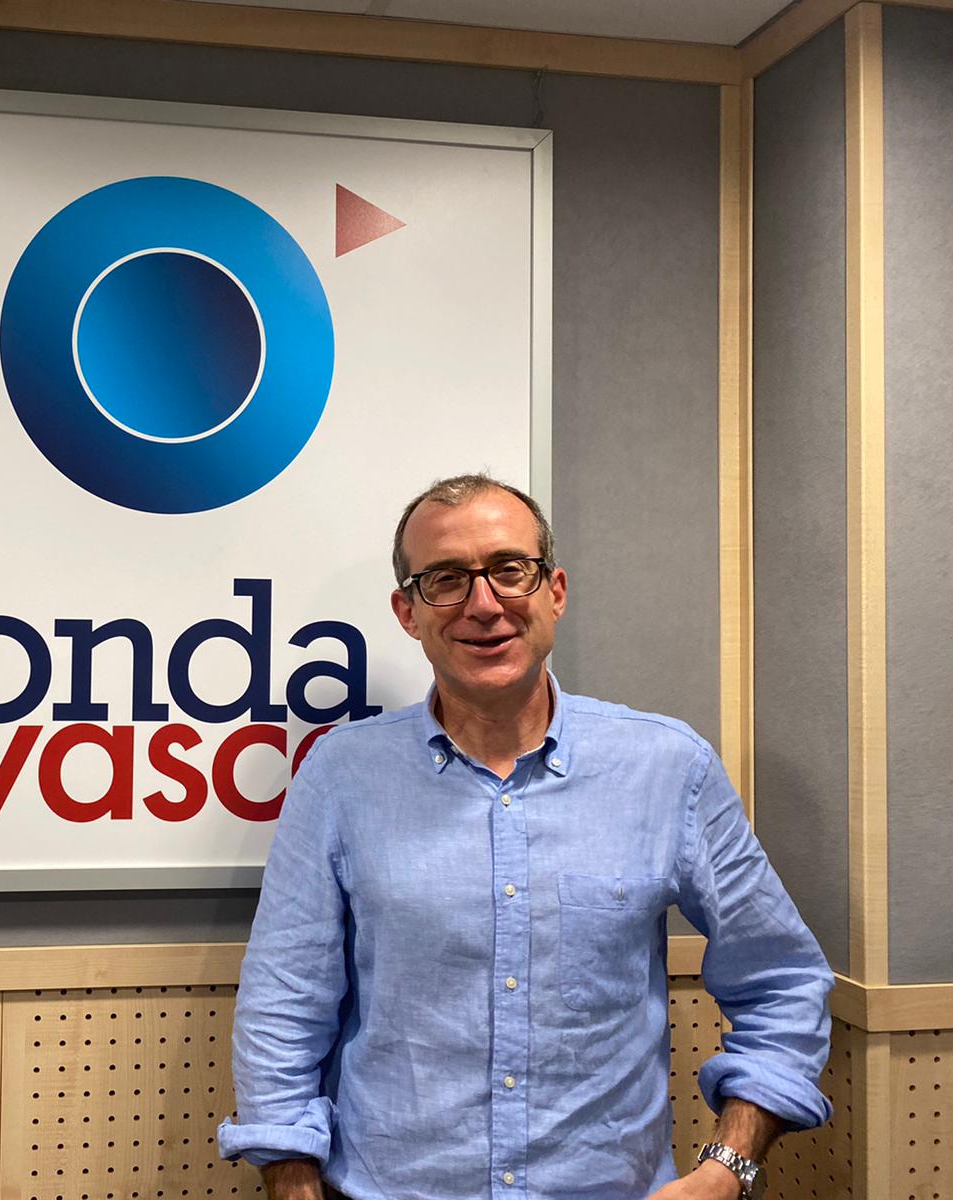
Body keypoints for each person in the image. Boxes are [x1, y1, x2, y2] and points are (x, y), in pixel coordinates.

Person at [217, 474, 831, 1200]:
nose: (484, 604)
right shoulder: (341, 775)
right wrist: (292, 1183)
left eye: (510, 569)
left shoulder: (668, 769)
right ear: (408, 613)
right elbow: (285, 1004)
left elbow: (783, 982)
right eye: (446, 579)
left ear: (555, 592)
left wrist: (729, 1169)